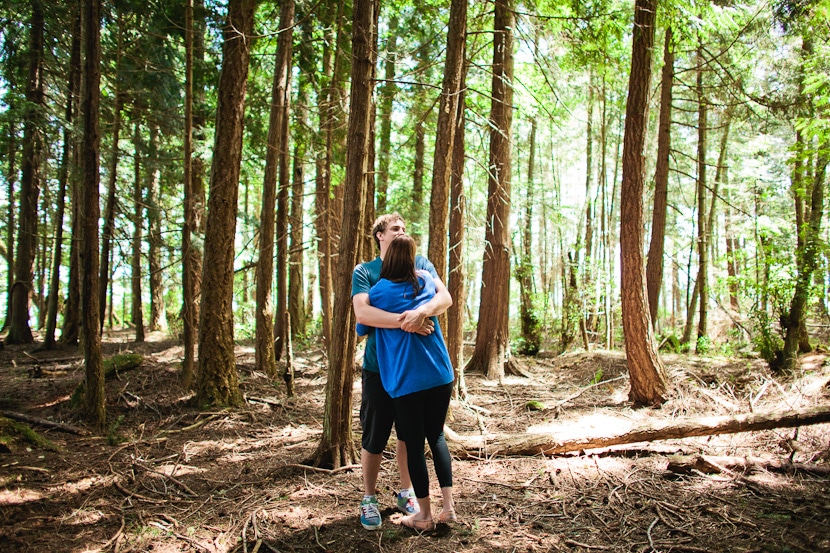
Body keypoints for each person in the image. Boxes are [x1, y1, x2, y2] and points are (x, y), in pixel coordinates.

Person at [352, 213, 452, 531]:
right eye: (395, 229)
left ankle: (408, 494)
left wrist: (422, 311)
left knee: (409, 437)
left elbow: (443, 298)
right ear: (379, 235)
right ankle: (369, 498)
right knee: (375, 434)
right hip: (380, 368)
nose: (401, 232)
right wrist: (408, 319)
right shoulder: (365, 272)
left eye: (405, 229)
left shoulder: (420, 264)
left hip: (415, 371)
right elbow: (363, 313)